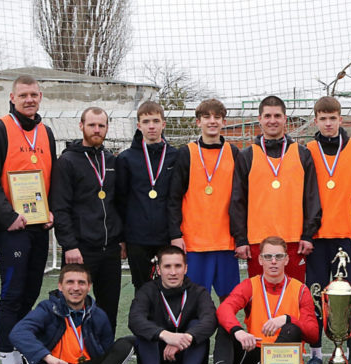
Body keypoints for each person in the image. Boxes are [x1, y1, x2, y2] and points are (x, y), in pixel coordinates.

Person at [0, 75, 58, 364]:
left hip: (39, 226)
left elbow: (52, 177)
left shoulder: (47, 132)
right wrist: (7, 215)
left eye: (33, 95)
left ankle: (21, 356)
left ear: (40, 97)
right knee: (12, 295)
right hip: (12, 228)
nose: (29, 100)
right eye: (23, 95)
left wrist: (51, 209)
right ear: (12, 98)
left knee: (30, 292)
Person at [303, 96, 351, 364]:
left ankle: (350, 356)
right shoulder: (307, 150)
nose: (328, 123)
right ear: (316, 121)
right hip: (317, 237)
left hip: (347, 234)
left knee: (349, 298)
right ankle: (316, 354)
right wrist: (305, 233)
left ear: (340, 119)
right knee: (315, 297)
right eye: (323, 119)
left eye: (332, 118)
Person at [7, 264, 135, 364]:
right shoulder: (47, 309)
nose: (76, 288)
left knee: (127, 343)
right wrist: (49, 358)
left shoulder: (99, 315)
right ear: (60, 286)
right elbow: (18, 332)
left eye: (81, 283)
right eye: (70, 282)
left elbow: (109, 358)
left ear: (89, 287)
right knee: (30, 355)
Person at [210, 236, 319, 364]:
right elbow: (224, 309)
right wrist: (238, 331)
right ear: (260, 260)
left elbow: (313, 334)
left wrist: (287, 319)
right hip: (253, 355)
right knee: (226, 327)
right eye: (268, 257)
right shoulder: (250, 285)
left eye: (279, 256)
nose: (273, 261)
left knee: (292, 328)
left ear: (286, 259)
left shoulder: (300, 290)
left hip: (283, 363)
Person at [229, 95, 321, 283]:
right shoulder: (246, 156)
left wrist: (308, 234)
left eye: (277, 116)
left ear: (285, 119)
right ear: (260, 119)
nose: (273, 121)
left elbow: (312, 198)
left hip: (295, 241)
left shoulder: (302, 154)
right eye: (268, 116)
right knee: (259, 296)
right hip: (257, 242)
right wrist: (241, 239)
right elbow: (238, 201)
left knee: (293, 294)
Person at [52, 107, 123, 333]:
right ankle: (73, 351)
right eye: (92, 125)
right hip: (80, 249)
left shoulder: (111, 160)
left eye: (101, 125)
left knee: (109, 309)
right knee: (74, 306)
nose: (97, 129)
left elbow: (117, 203)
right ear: (81, 126)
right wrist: (70, 244)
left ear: (107, 128)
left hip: (110, 249)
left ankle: (106, 354)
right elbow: (60, 207)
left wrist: (121, 238)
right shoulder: (67, 161)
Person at [168, 99, 241, 301]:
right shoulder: (186, 153)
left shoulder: (234, 153)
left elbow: (241, 198)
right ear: (198, 122)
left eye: (217, 117)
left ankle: (226, 325)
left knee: (230, 299)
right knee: (196, 300)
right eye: (206, 117)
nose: (212, 121)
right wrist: (175, 234)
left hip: (226, 242)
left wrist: (241, 237)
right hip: (194, 243)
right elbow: (174, 198)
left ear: (224, 122)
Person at [128, 245, 217, 364]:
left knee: (197, 326)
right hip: (156, 362)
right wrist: (165, 335)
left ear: (186, 268)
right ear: (159, 270)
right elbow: (135, 319)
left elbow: (210, 320)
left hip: (189, 362)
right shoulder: (147, 290)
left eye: (178, 266)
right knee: (146, 328)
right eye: (167, 266)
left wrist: (185, 338)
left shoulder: (199, 292)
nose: (173, 272)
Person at [117, 101, 180, 290]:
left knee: (170, 287)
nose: (151, 126)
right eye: (146, 122)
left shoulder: (176, 156)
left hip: (167, 236)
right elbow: (120, 200)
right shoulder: (126, 158)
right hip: (137, 237)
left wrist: (177, 233)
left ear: (164, 124)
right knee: (142, 289)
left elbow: (179, 198)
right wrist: (121, 237)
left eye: (155, 121)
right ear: (138, 126)